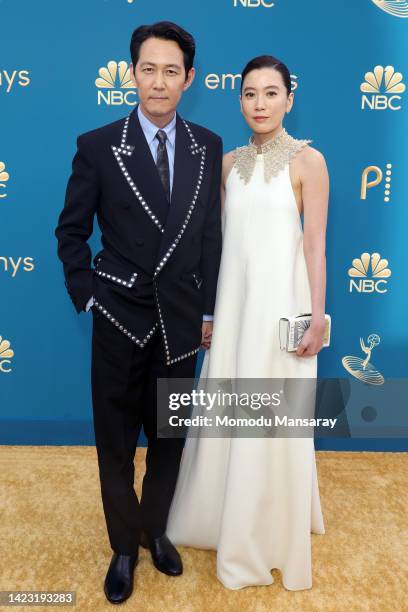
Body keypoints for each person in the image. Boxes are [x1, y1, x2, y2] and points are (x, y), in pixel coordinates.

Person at [55, 21, 222, 604]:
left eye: (171, 71)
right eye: (148, 69)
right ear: (132, 74)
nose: (158, 81)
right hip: (119, 320)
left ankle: (155, 532)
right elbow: (71, 233)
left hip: (180, 325)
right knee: (117, 443)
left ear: (189, 79)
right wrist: (90, 295)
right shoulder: (98, 146)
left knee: (170, 441)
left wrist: (209, 310)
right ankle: (124, 547)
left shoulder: (208, 145)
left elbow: (209, 238)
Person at [166, 55, 329, 591]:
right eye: (250, 94)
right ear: (238, 100)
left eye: (271, 93)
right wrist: (210, 311)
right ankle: (219, 514)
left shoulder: (310, 162)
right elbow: (216, 247)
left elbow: (314, 245)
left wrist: (316, 319)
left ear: (289, 98)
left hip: (282, 308)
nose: (259, 103)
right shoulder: (227, 163)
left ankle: (268, 526)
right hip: (234, 309)